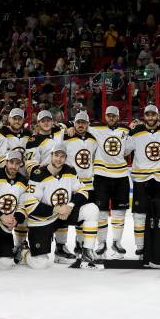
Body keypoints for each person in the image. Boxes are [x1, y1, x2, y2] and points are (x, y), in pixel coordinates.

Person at [23, 143, 102, 269]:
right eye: (56, 155)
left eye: (62, 156)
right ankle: (24, 252)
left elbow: (83, 191)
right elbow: (30, 205)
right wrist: (56, 209)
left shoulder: (70, 170)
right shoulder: (38, 173)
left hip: (64, 213)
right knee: (39, 264)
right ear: (51, 155)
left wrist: (70, 206)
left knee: (92, 209)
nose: (58, 159)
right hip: (42, 220)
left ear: (65, 158)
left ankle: (87, 252)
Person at [126, 105, 160, 258]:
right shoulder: (136, 132)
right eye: (148, 115)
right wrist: (127, 132)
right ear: (144, 116)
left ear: (158, 116)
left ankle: (159, 247)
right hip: (141, 179)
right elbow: (125, 150)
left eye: (154, 114)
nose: (151, 117)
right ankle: (140, 248)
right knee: (139, 215)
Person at [88, 106, 132, 258]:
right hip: (101, 176)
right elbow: (79, 126)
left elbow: (127, 150)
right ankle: (102, 244)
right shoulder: (96, 128)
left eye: (114, 116)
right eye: (108, 115)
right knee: (101, 212)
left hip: (121, 175)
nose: (111, 118)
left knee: (120, 211)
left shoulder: (125, 131)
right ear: (105, 116)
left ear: (118, 117)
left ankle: (116, 242)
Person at [63, 111, 99, 258]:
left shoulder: (93, 139)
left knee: (84, 215)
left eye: (83, 123)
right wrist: (65, 126)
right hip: (70, 184)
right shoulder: (66, 138)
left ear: (88, 124)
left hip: (88, 185)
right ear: (74, 123)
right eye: (78, 122)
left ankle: (80, 243)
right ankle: (61, 244)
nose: (80, 125)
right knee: (65, 215)